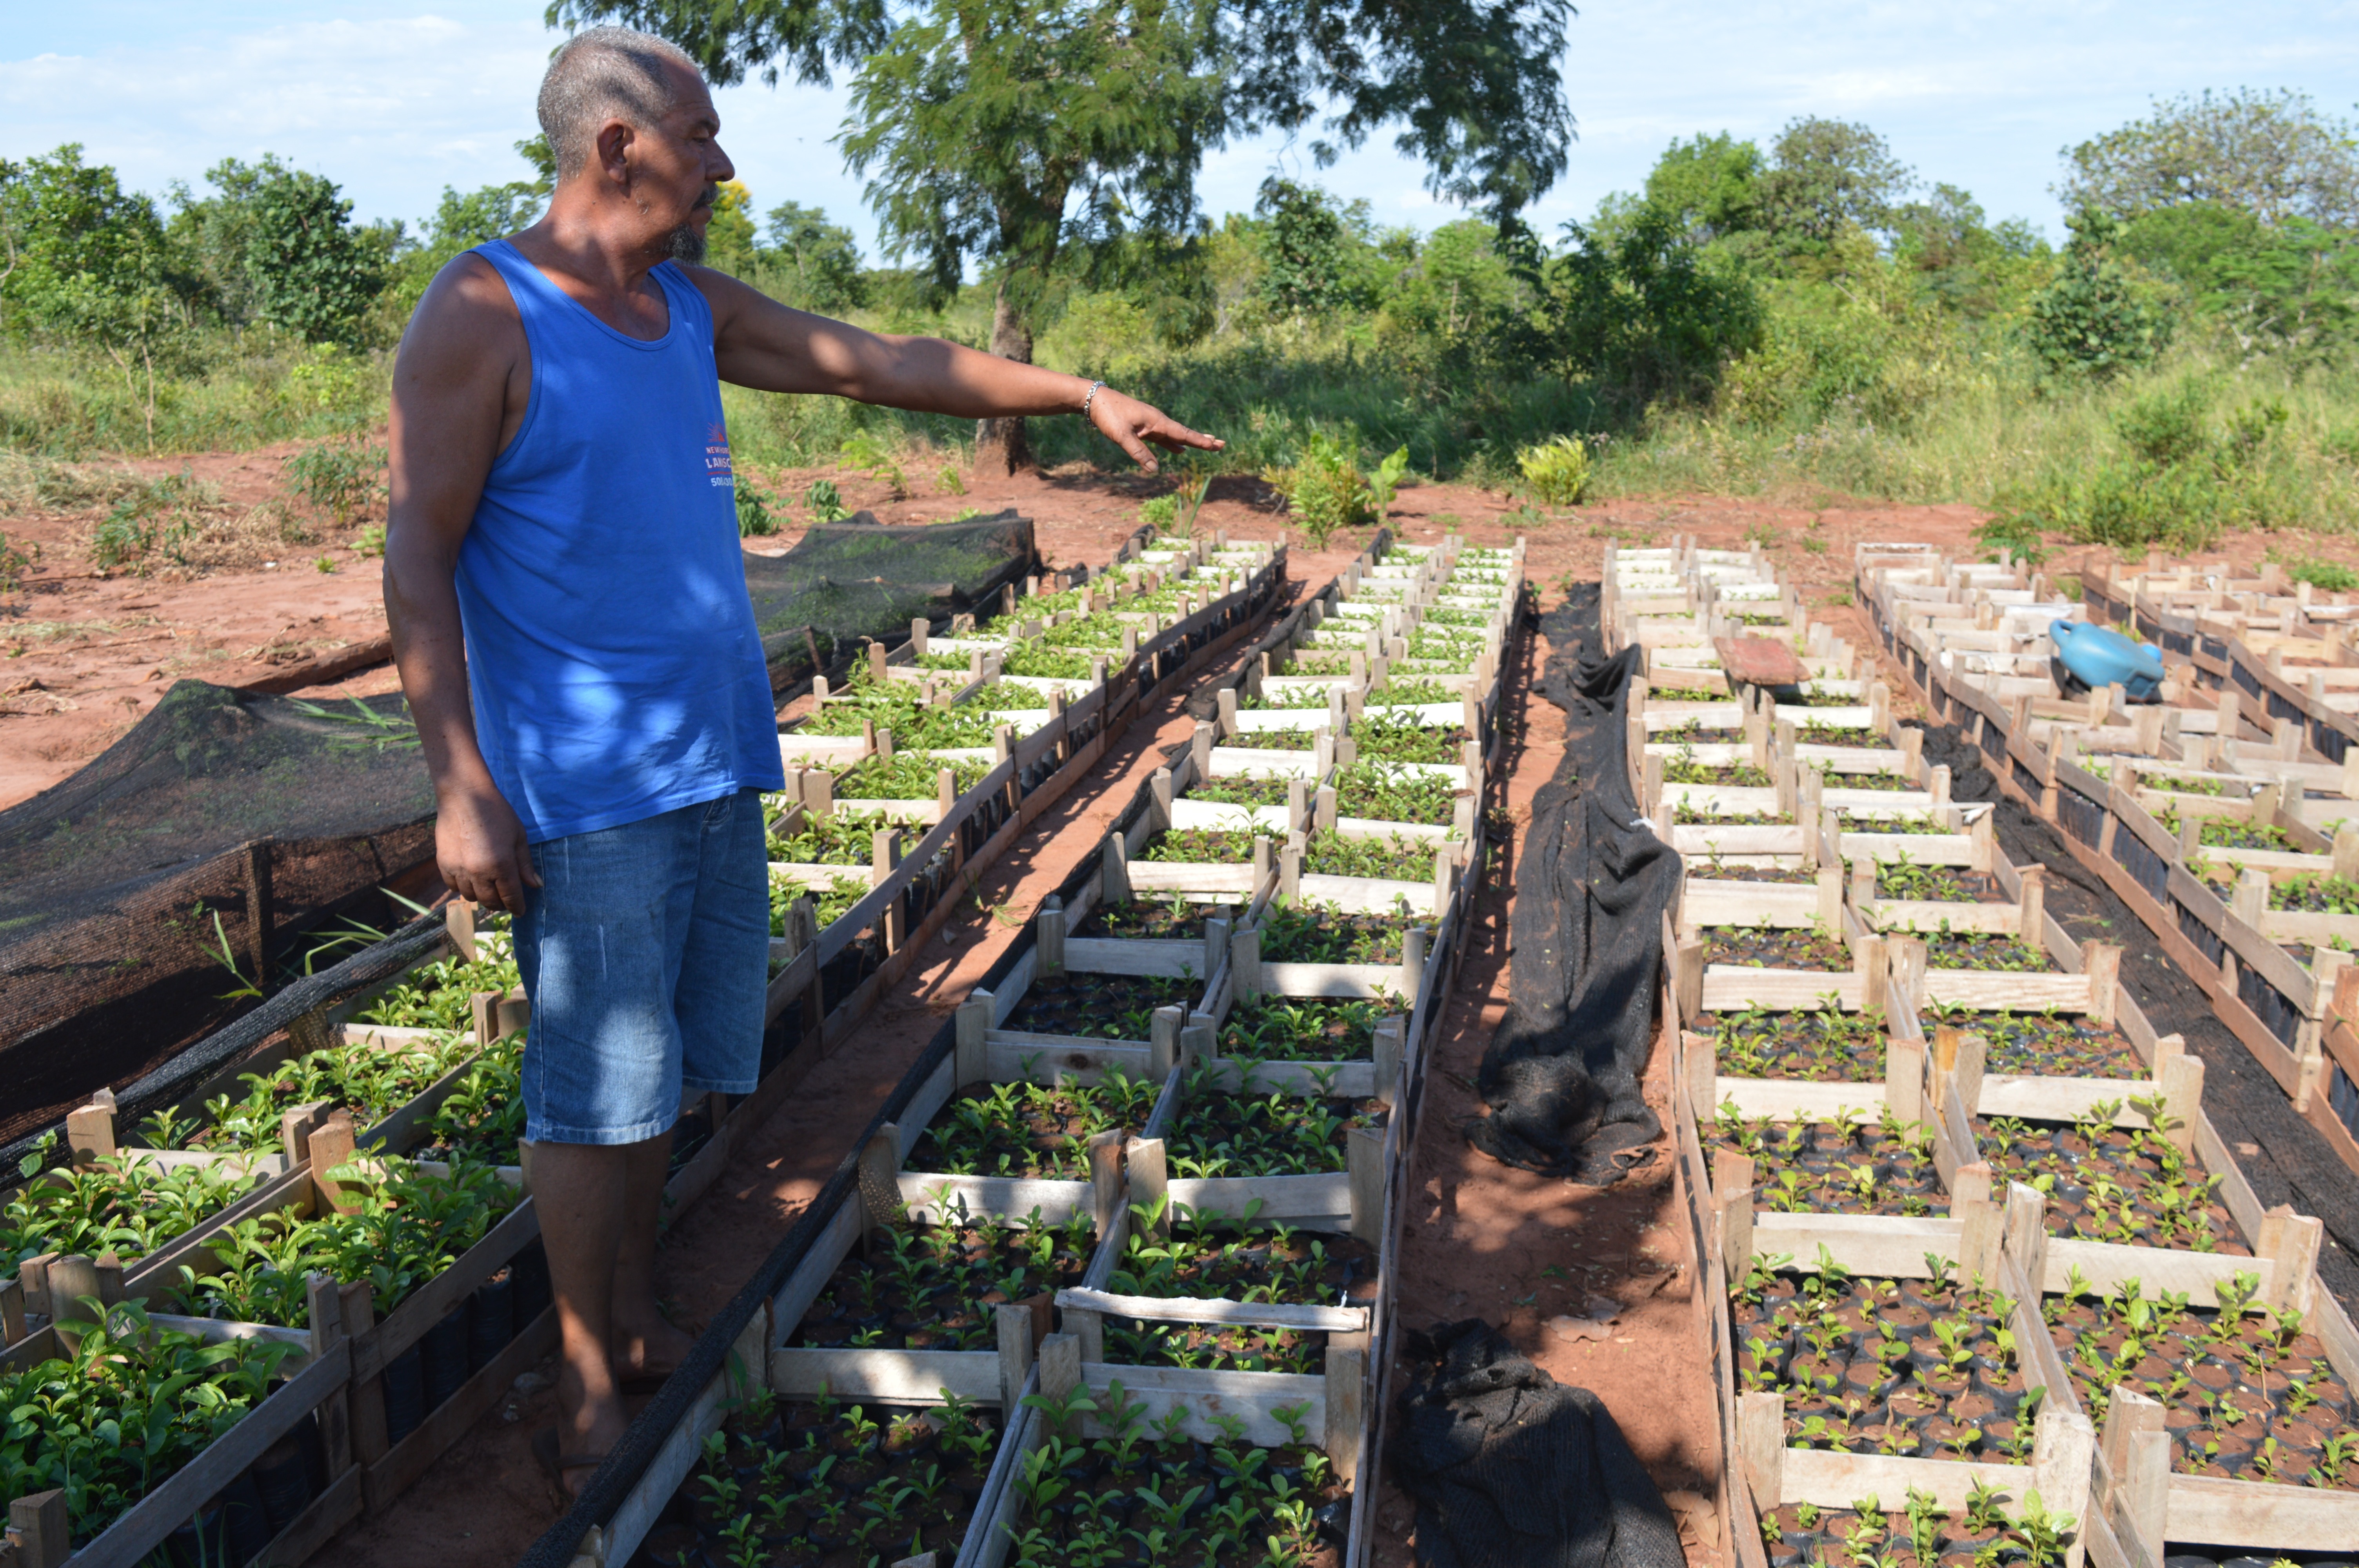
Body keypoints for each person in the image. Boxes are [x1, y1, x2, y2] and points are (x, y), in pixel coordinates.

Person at [382, 24, 1219, 1501]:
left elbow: (879, 364)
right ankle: (587, 1379)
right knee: (592, 1085)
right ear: (618, 145)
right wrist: (461, 781)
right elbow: (415, 552)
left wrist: (1075, 393)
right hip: (586, 780)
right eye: (701, 135)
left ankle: (633, 1318)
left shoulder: (683, 306)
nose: (722, 163)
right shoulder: (484, 309)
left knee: (670, 1071)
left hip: (711, 752)